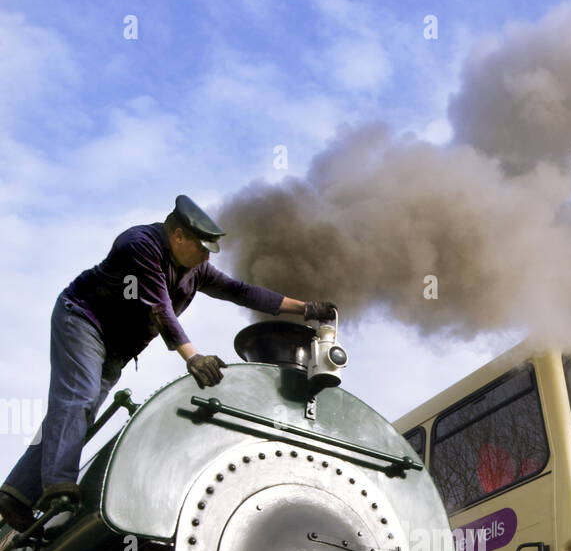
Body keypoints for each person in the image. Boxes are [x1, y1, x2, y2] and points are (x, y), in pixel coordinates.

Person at [0, 195, 335, 532]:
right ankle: (59, 488)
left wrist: (306, 309)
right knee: (79, 398)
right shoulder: (139, 244)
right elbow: (160, 309)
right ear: (178, 236)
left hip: (116, 348)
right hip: (83, 321)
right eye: (203, 248)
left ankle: (15, 494)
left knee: (79, 414)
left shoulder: (195, 269)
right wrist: (194, 357)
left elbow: (240, 291)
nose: (207, 257)